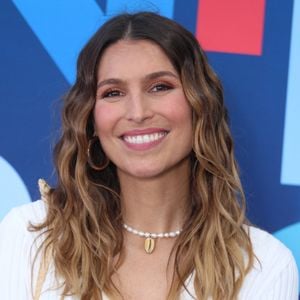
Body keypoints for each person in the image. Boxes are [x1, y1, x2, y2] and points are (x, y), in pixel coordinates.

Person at [0, 12, 298, 300]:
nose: (138, 112)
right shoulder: (28, 235)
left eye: (160, 87)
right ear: (91, 120)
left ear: (201, 106)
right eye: (113, 93)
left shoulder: (262, 265)